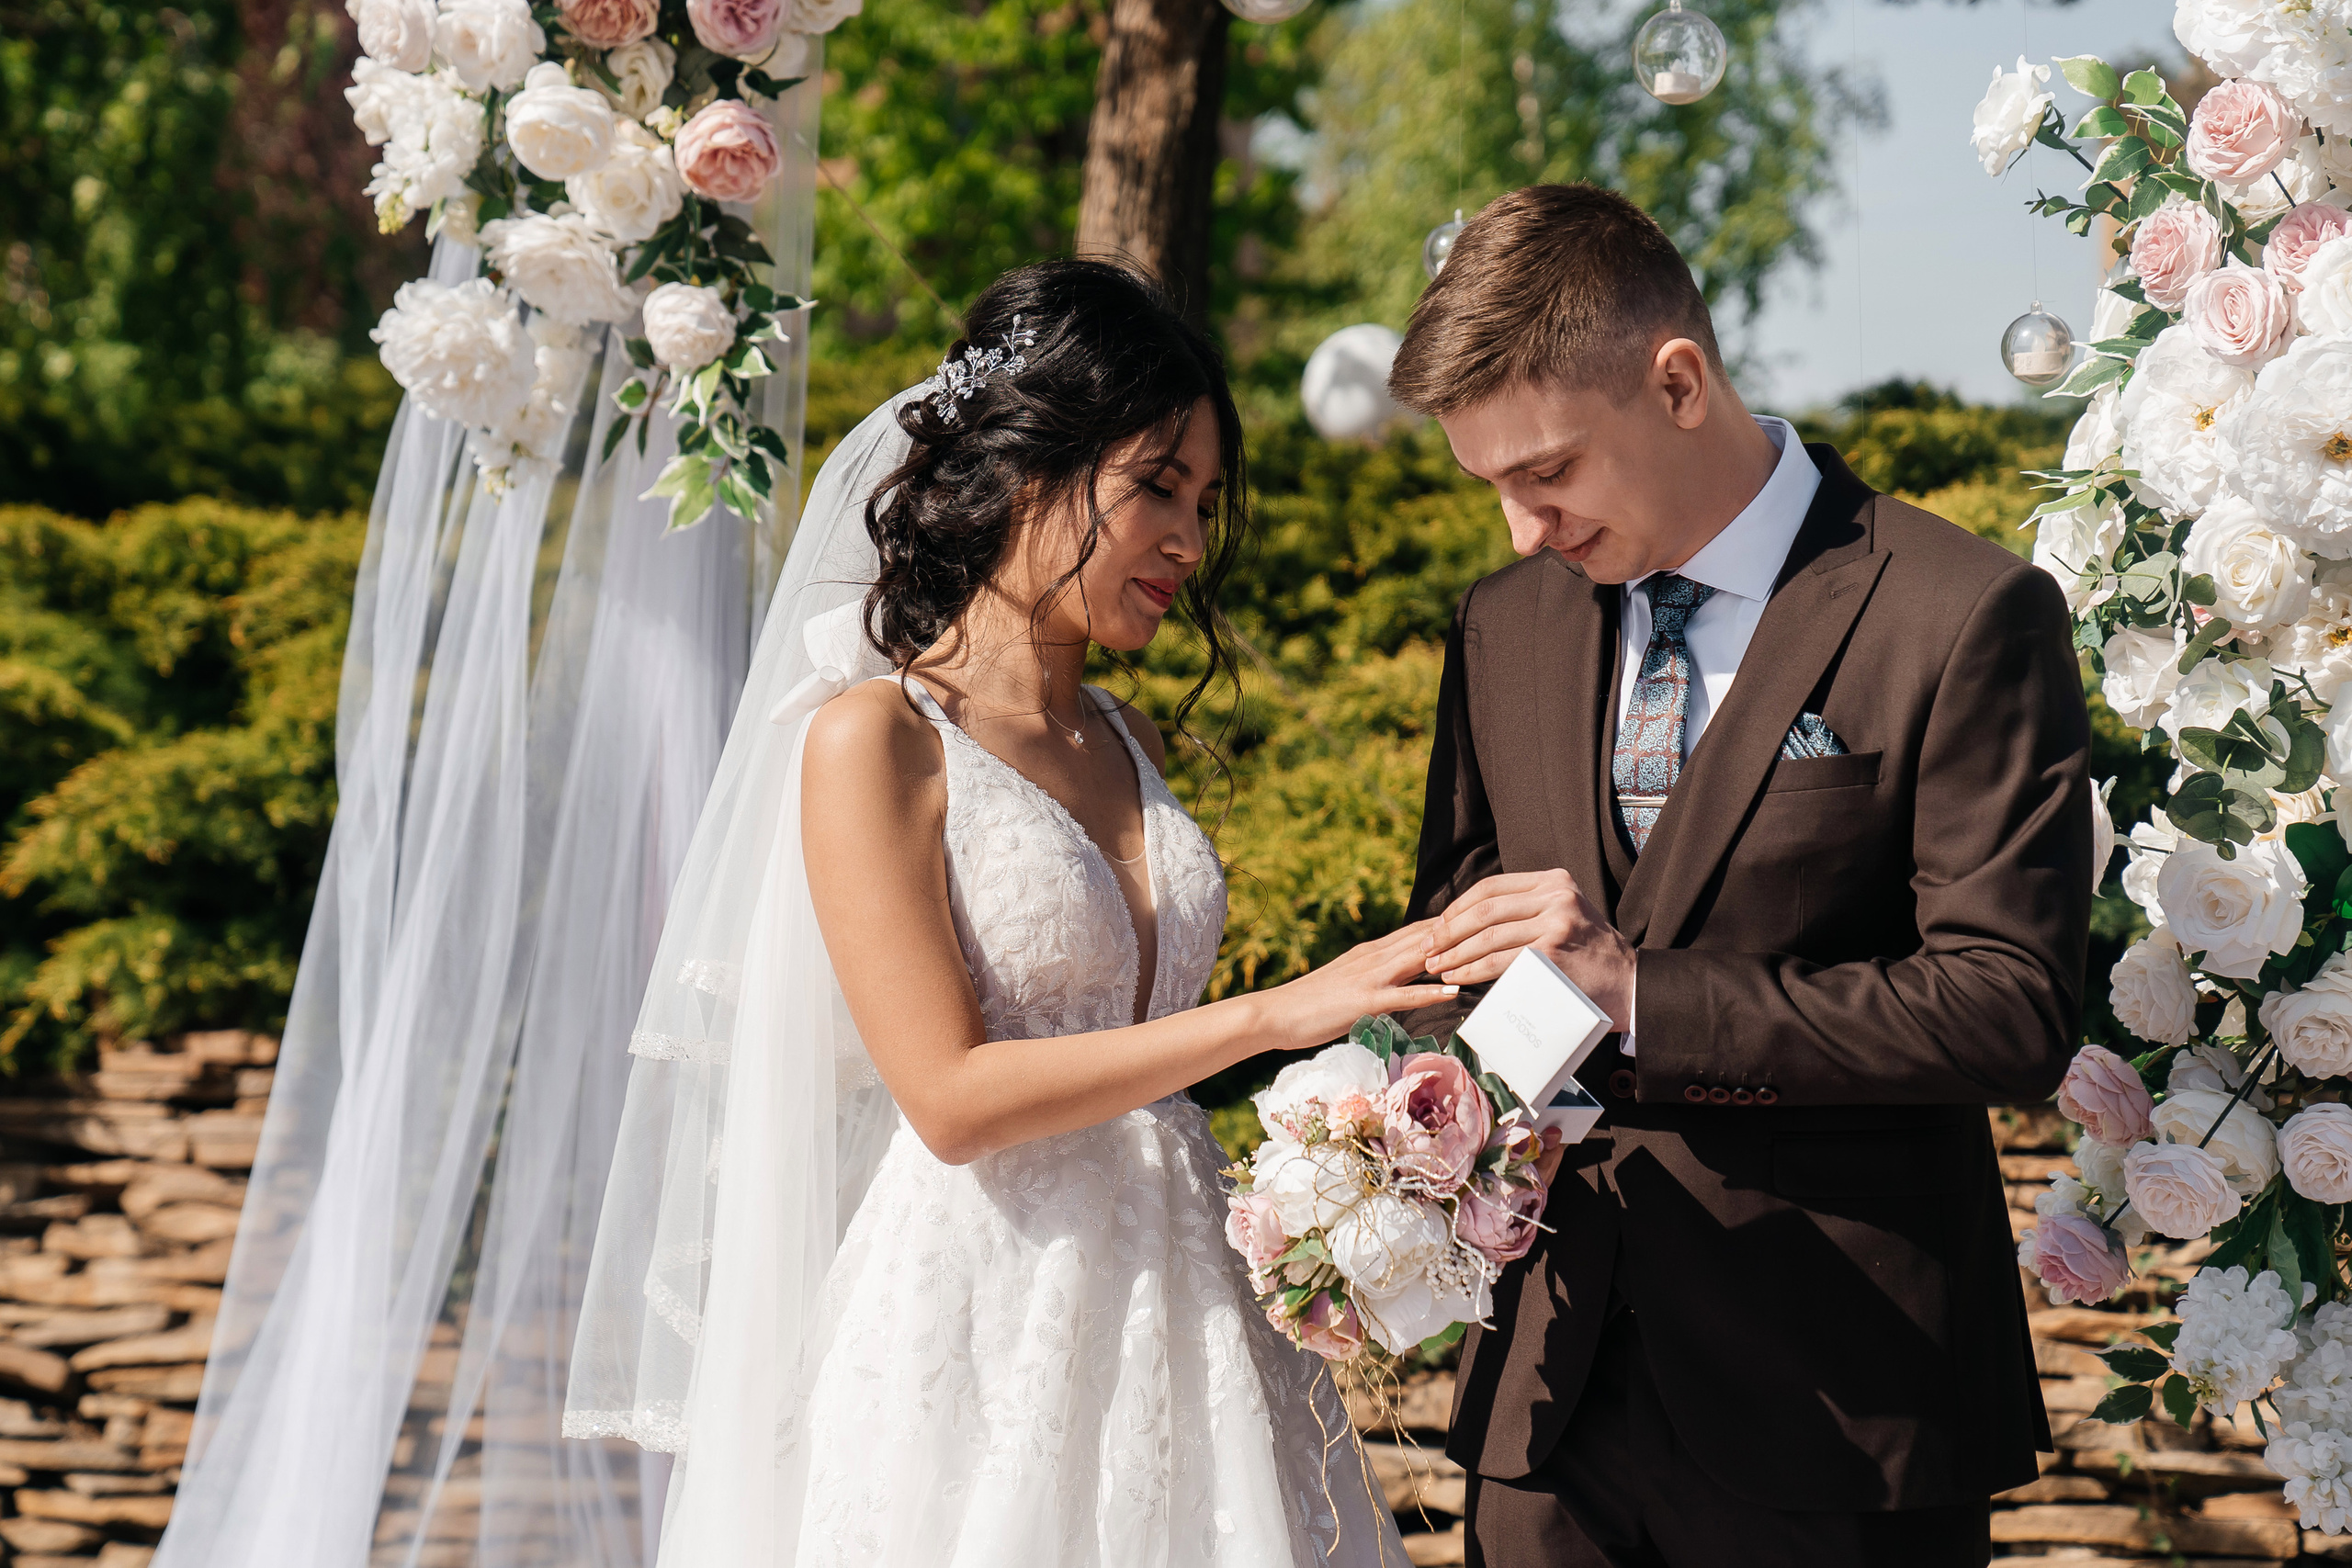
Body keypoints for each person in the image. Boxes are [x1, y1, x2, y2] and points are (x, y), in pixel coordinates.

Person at [567, 258, 1441, 1564]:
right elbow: (953, 1097)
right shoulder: (876, 742)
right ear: (1030, 465)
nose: (1191, 544)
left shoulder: (1127, 735)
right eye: (1158, 486)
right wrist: (1278, 1015)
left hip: (1194, 1301)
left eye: (1205, 503)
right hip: (979, 1323)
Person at [1385, 185, 2092, 1568]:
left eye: (1549, 473)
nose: (1524, 528)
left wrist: (1641, 993)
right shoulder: (1502, 624)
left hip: (1840, 1406)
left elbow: (2010, 1009)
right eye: (1493, 490)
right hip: (1547, 1401)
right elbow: (1454, 926)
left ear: (1678, 381)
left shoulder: (1960, 614)